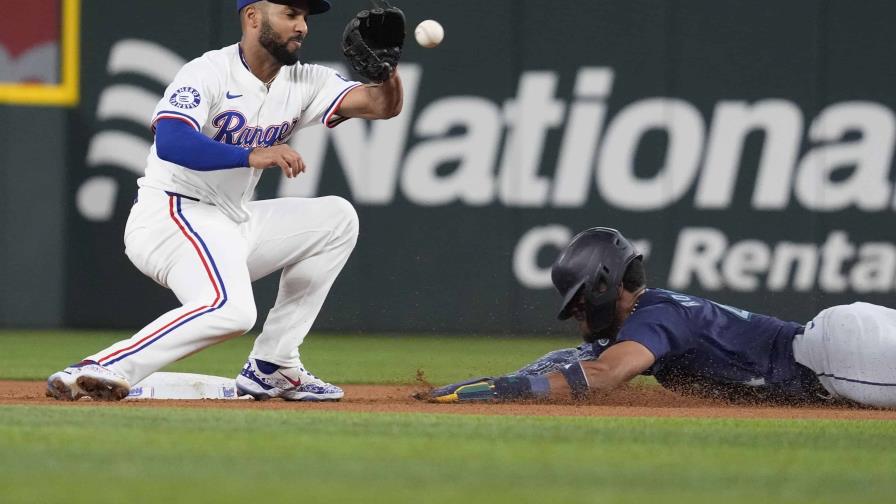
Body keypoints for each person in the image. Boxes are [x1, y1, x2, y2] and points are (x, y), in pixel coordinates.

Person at [47, 0, 405, 402]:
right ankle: (101, 367)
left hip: (231, 221)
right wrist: (250, 155)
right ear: (253, 18)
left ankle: (274, 365)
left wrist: (386, 74)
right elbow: (171, 140)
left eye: (304, 17)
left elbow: (381, 105)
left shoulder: (306, 80)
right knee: (232, 310)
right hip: (171, 215)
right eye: (290, 14)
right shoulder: (208, 71)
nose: (302, 26)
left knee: (337, 219)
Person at [431, 227, 896, 409]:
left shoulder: (657, 317)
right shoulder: (648, 316)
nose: (575, 314)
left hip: (841, 359)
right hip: (837, 351)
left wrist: (505, 390)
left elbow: (605, 374)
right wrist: (498, 380)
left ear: (603, 286)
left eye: (577, 303)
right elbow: (574, 360)